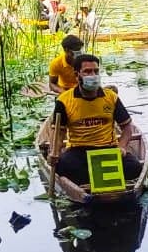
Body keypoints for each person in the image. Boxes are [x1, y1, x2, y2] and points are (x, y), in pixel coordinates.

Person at [49, 54, 142, 186]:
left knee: (134, 168)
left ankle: (93, 180)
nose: (93, 75)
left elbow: (127, 128)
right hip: (79, 151)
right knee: (63, 167)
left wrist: (121, 147)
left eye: (96, 71)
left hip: (108, 148)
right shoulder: (64, 100)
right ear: (77, 75)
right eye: (87, 71)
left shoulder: (111, 97)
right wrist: (54, 152)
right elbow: (59, 134)